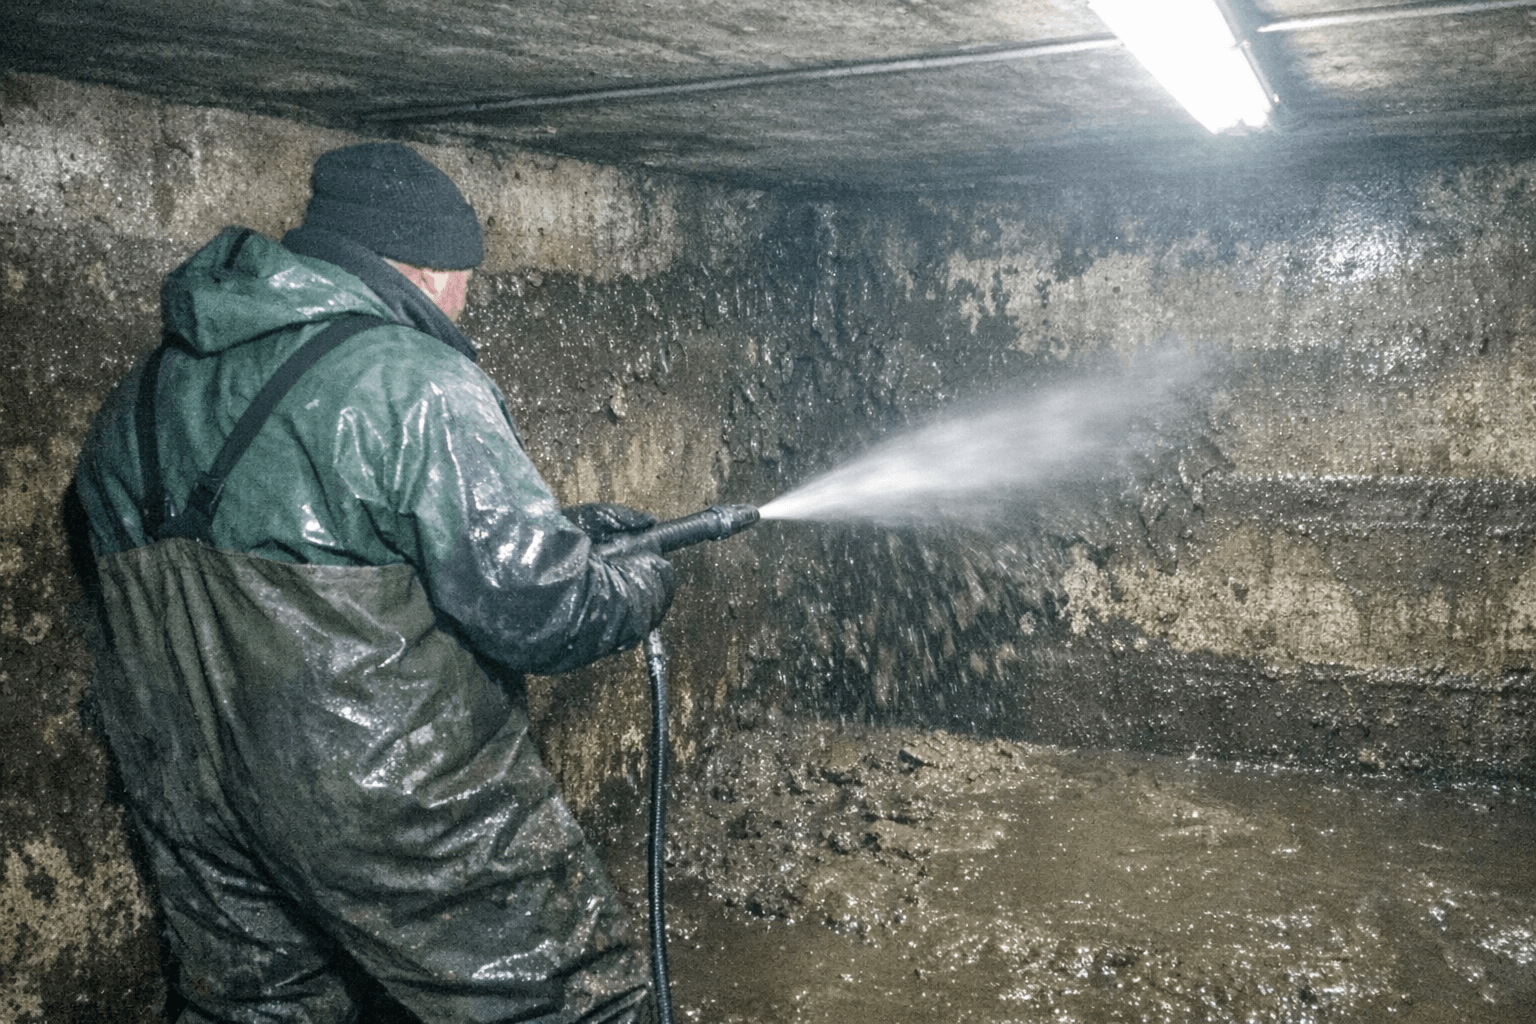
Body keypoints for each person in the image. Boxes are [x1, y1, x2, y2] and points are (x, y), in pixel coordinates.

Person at [75, 142, 675, 1024]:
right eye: (465, 275)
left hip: (191, 794)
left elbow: (317, 539)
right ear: (429, 269)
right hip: (395, 803)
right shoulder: (414, 382)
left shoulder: (146, 392)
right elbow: (542, 611)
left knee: (263, 1010)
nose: (467, 299)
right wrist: (636, 584)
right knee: (559, 1002)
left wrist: (558, 533)